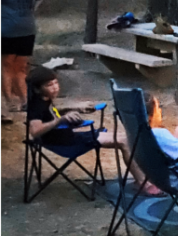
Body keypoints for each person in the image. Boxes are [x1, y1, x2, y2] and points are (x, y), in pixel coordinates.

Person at [25, 67, 161, 194]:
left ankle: (142, 176)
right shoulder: (36, 106)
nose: (55, 88)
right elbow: (35, 131)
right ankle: (142, 182)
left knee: (126, 136)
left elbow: (49, 113)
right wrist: (60, 120)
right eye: (49, 85)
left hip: (67, 136)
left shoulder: (44, 99)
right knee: (124, 142)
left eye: (56, 83)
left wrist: (74, 108)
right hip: (66, 143)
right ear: (37, 89)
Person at [2, 0, 42, 120]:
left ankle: (25, 100)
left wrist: (32, 12)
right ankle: (9, 100)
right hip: (6, 31)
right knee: (7, 65)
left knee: (22, 67)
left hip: (27, 30)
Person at [143, 92, 178, 163]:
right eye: (158, 107)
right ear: (149, 116)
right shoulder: (157, 134)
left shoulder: (138, 134)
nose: (160, 111)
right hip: (177, 171)